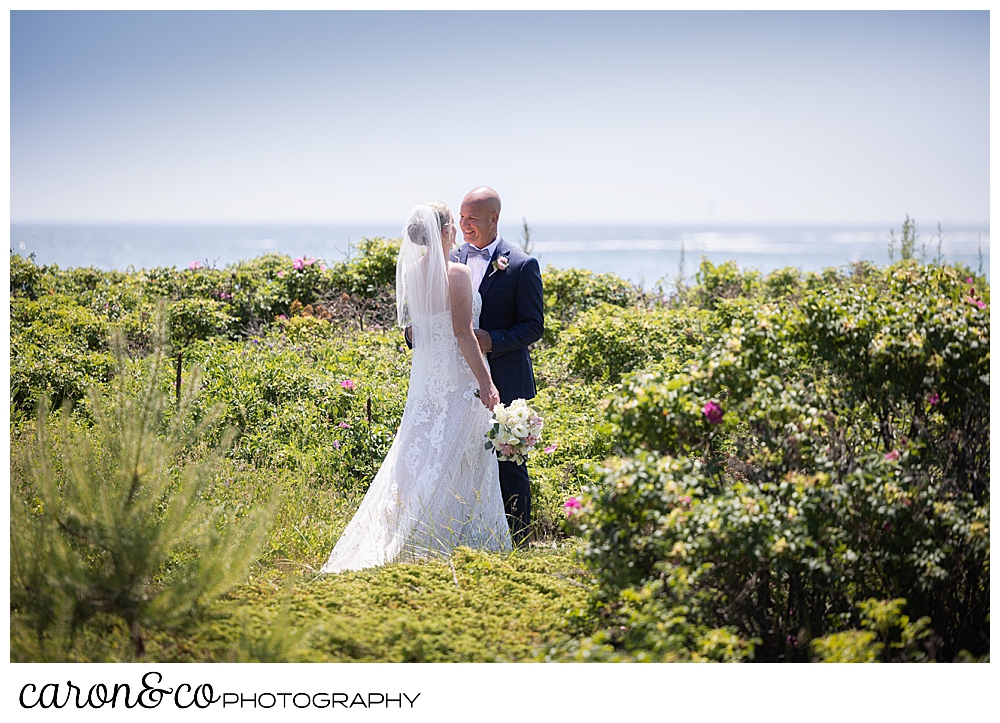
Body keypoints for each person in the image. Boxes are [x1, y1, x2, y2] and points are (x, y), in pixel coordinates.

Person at [320, 203, 510, 573]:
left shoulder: (413, 272)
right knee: (459, 456)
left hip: (427, 382)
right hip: (458, 379)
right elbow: (462, 333)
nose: (457, 230)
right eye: (453, 225)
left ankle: (428, 530)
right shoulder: (455, 273)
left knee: (426, 454)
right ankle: (447, 536)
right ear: (442, 231)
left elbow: (419, 330)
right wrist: (486, 383)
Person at [451, 186, 544, 546]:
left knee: (509, 467)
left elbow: (534, 325)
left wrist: (494, 340)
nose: (463, 226)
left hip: (505, 379)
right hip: (460, 382)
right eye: (460, 218)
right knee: (464, 462)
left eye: (471, 219)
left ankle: (518, 540)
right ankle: (469, 538)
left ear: (494, 218)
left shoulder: (521, 264)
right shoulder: (451, 258)